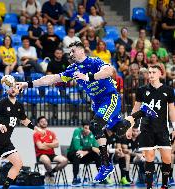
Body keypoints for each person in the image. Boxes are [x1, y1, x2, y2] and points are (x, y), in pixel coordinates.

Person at [17, 41, 158, 182]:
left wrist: (88, 77)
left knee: (95, 125)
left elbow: (110, 71)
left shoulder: (94, 61)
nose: (70, 54)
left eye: (73, 51)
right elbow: (52, 78)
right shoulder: (72, 69)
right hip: (98, 103)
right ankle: (143, 111)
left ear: (81, 51)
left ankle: (105, 164)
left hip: (110, 98)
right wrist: (28, 84)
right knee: (120, 130)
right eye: (70, 52)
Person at [126, 64, 175, 189]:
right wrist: (130, 126)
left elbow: (171, 111)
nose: (151, 75)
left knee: (167, 158)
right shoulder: (142, 90)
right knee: (149, 158)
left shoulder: (168, 90)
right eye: (149, 72)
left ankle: (164, 185)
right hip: (147, 128)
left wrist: (174, 127)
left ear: (160, 73)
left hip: (162, 129)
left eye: (154, 72)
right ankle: (149, 186)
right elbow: (136, 109)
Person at [33, 116, 68, 184]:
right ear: (38, 124)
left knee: (64, 161)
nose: (44, 123)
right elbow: (40, 147)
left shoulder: (51, 133)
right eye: (42, 122)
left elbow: (57, 144)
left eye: (45, 121)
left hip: (51, 154)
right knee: (46, 160)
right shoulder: (36, 134)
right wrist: (51, 144)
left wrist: (46, 144)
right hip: (41, 155)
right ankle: (51, 175)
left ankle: (50, 173)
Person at [67, 120, 101, 185]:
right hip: (72, 154)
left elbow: (96, 148)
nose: (87, 130)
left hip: (85, 155)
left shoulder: (92, 133)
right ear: (82, 128)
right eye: (85, 128)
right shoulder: (77, 131)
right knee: (78, 154)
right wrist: (90, 148)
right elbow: (77, 148)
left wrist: (86, 151)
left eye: (89, 129)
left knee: (97, 155)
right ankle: (75, 178)